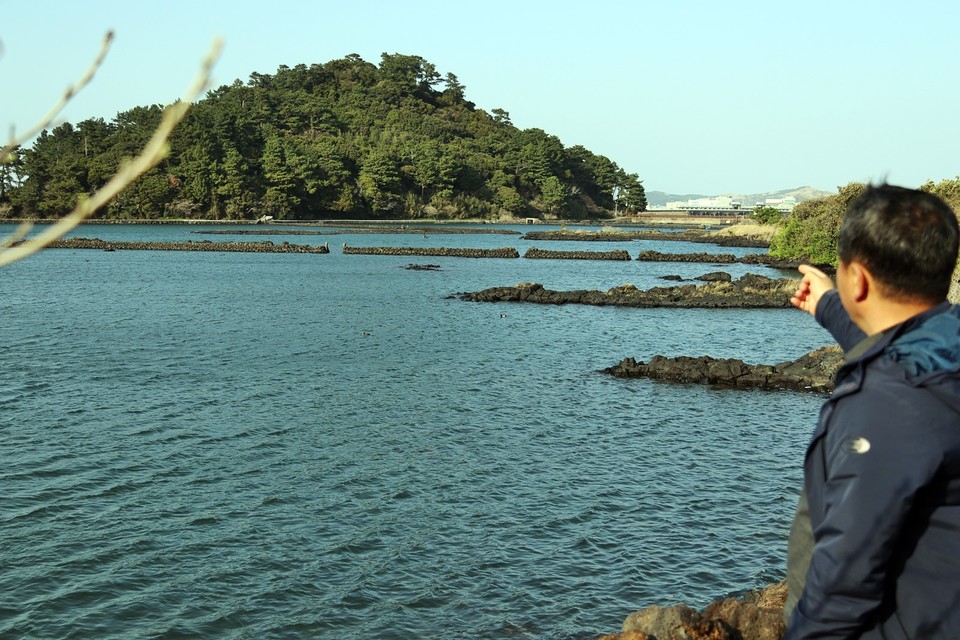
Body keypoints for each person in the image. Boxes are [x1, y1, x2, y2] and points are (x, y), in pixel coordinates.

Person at [784, 183, 960, 639]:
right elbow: (895, 343)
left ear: (857, 280)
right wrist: (828, 306)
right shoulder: (944, 345)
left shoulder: (888, 405)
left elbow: (846, 579)